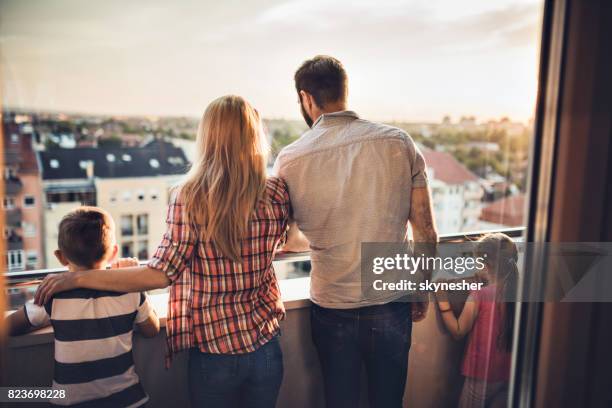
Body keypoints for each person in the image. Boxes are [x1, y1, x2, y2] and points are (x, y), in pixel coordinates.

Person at [35, 95, 304, 408]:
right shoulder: (276, 191)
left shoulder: (189, 197)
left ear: (208, 137)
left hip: (216, 351)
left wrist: (79, 279)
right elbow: (287, 242)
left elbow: (161, 274)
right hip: (266, 345)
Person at [273, 55, 438, 408]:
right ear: (344, 92)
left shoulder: (289, 159)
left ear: (306, 97)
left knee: (340, 399)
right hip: (391, 300)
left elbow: (288, 239)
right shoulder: (398, 142)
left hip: (332, 303)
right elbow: (425, 229)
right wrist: (420, 288)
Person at [8, 206, 159, 407]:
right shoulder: (130, 291)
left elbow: (9, 326)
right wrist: (134, 280)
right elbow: (152, 329)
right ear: (114, 253)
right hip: (128, 399)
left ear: (60, 257)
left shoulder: (54, 297)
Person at [435, 233, 518, 408]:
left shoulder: (480, 295)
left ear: (486, 266)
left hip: (480, 375)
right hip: (509, 374)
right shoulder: (520, 291)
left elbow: (458, 331)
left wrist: (442, 299)